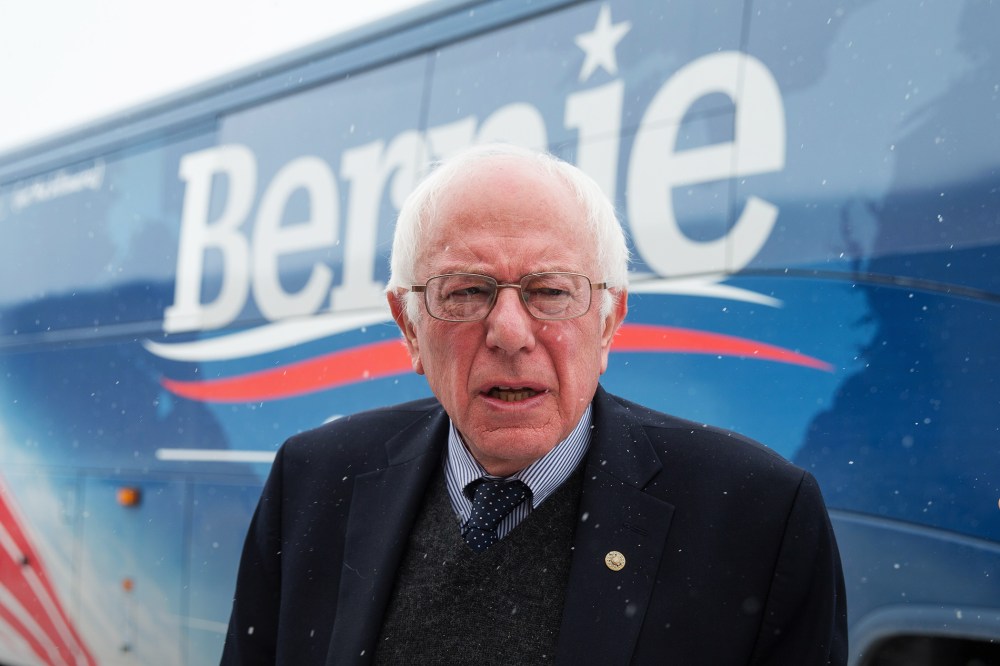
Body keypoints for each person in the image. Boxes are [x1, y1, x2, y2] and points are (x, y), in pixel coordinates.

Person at [220, 143, 847, 665]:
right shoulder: (312, 483)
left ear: (609, 321)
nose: (511, 332)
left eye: (550, 290)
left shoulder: (758, 517)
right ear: (408, 326)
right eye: (466, 291)